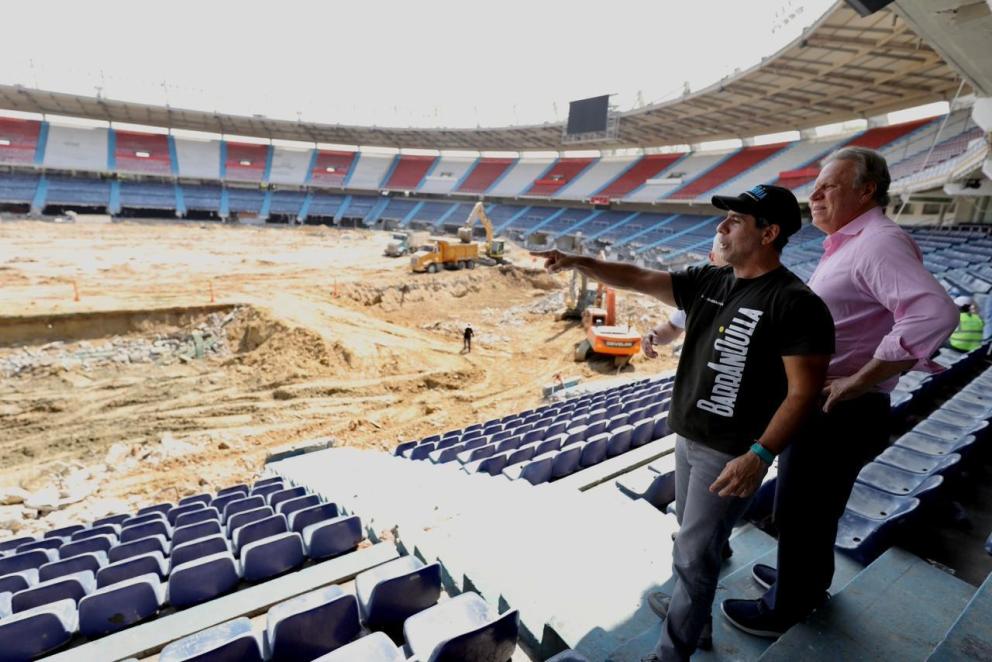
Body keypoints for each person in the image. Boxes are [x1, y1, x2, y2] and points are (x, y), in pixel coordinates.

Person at [532, 184, 835, 662]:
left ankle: (673, 653)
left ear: (769, 233)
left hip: (731, 452)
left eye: (736, 220)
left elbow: (803, 393)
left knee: (694, 554)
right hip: (689, 436)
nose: (722, 227)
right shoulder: (710, 280)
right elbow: (638, 277)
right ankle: (695, 621)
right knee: (689, 538)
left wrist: (760, 455)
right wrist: (580, 262)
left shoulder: (796, 303)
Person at [720, 147, 959, 638]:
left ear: (866, 190)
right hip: (835, 407)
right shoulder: (852, 243)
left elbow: (935, 313)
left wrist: (860, 378)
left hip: (841, 408)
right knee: (811, 508)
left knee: (804, 510)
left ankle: (786, 609)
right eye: (815, 187)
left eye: (828, 186)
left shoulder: (878, 243)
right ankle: (802, 582)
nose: (815, 195)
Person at [643, 235, 727, 359]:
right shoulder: (700, 293)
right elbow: (672, 328)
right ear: (712, 258)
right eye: (724, 247)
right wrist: (654, 335)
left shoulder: (755, 297)